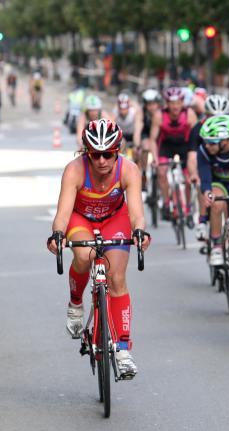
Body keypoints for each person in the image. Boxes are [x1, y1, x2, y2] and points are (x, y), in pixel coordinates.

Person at [45, 119, 151, 378]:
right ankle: (75, 303)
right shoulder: (75, 170)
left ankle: (123, 350)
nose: (102, 161)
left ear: (117, 151)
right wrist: (57, 235)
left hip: (115, 219)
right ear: (86, 153)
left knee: (116, 278)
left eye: (108, 154)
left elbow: (137, 212)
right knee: (83, 255)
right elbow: (62, 214)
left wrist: (139, 231)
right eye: (95, 154)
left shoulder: (129, 170)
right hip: (81, 218)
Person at [196, 115, 229, 266]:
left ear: (226, 140)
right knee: (216, 203)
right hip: (219, 183)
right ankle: (216, 246)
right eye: (206, 142)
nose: (207, 146)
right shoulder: (204, 151)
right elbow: (205, 178)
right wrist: (207, 193)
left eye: (212, 142)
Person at [187, 93, 229, 241]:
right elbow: (193, 157)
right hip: (208, 168)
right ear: (206, 115)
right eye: (212, 116)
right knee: (203, 183)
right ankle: (202, 220)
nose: (217, 120)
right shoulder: (198, 130)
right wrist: (194, 174)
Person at [150, 87, 198, 219]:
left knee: (189, 179)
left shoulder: (190, 114)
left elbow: (196, 137)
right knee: (161, 172)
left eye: (178, 102)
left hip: (185, 145)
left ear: (182, 102)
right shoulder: (159, 115)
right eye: (172, 103)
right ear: (167, 103)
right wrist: (155, 158)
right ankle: (166, 203)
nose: (175, 106)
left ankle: (188, 207)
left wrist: (194, 158)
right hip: (167, 145)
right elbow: (153, 140)